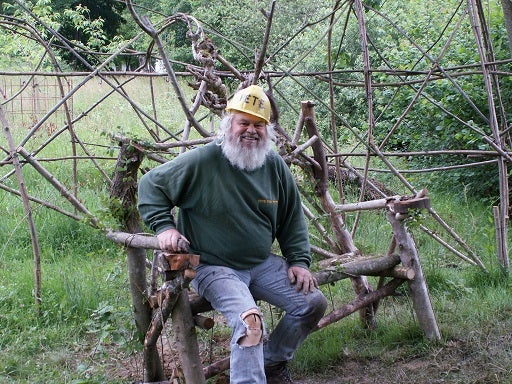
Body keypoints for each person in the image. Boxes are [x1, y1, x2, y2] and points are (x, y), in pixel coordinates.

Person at [138, 84, 328, 384]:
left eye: (258, 125)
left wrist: (299, 261)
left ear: (268, 130)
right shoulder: (204, 161)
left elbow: (292, 218)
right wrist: (164, 226)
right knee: (249, 322)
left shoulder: (274, 165)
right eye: (244, 123)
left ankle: (272, 362)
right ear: (230, 124)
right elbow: (151, 185)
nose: (251, 131)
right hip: (213, 266)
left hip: (260, 263)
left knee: (312, 302)